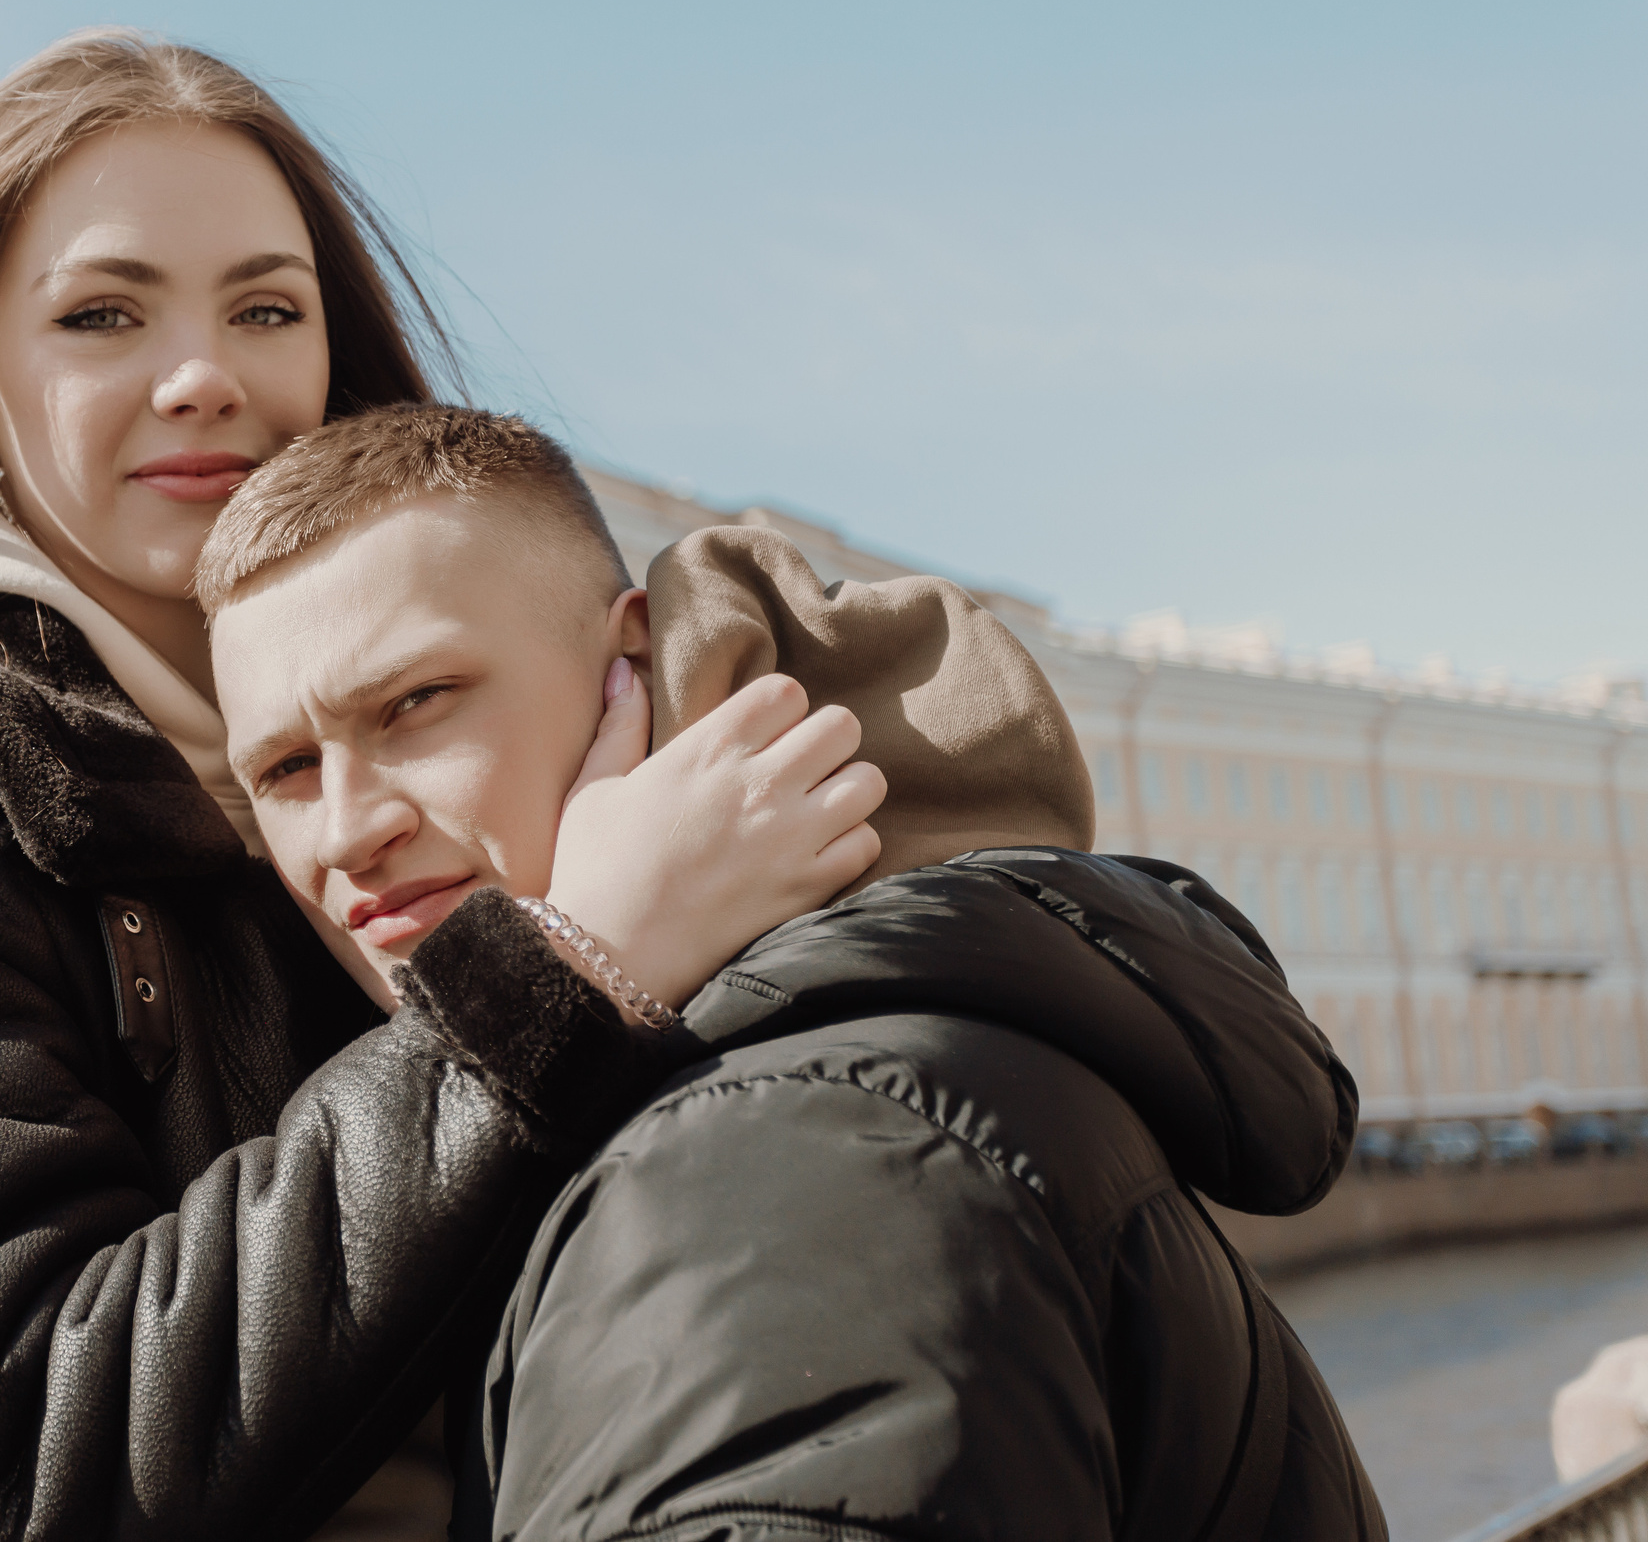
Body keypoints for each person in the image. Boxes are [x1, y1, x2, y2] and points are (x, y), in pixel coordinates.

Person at [0, 32, 892, 1542]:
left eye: (265, 307)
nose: (204, 374)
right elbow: (34, 1449)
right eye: (103, 313)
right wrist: (564, 967)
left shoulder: (463, 737)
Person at [198, 404, 1387, 1540]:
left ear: (633, 663)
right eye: (288, 771)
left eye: (416, 703)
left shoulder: (774, 1161)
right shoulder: (820, 1076)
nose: (347, 831)